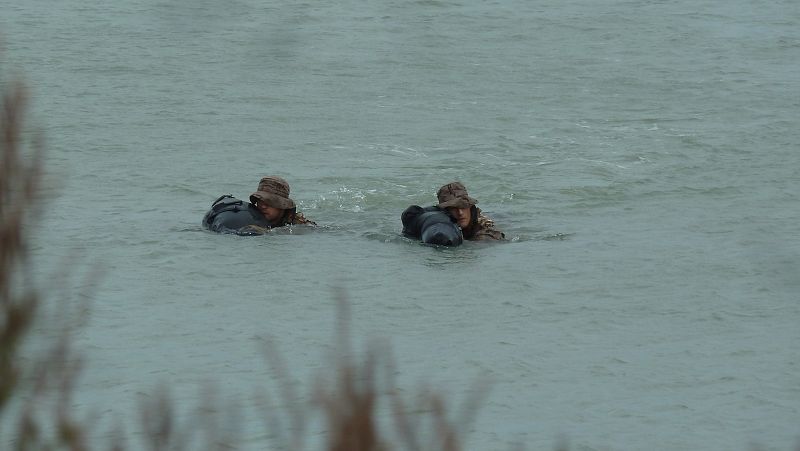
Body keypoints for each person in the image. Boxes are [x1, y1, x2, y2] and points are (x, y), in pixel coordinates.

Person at [435, 181, 504, 241]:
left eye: (463, 206)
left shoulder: (485, 235)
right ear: (445, 212)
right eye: (453, 208)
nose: (460, 213)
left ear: (470, 207)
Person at [249, 175, 316, 227]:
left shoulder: (300, 225)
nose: (263, 206)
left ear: (282, 205)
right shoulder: (249, 219)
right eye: (260, 200)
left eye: (269, 201)